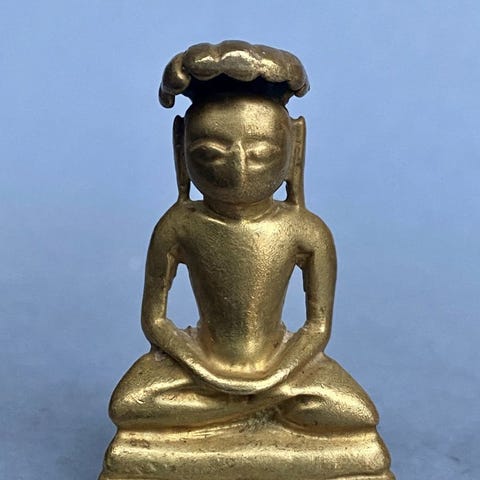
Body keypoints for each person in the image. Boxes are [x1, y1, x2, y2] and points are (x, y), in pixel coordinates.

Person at [108, 41, 380, 434]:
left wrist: (271, 377)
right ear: (180, 149)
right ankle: (251, 409)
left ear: (295, 149)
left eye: (261, 154)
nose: (238, 169)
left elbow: (317, 327)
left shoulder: (306, 231)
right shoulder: (179, 225)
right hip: (198, 365)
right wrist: (208, 372)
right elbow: (155, 319)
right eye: (211, 153)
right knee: (130, 404)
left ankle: (242, 407)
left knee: (356, 413)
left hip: (282, 368)